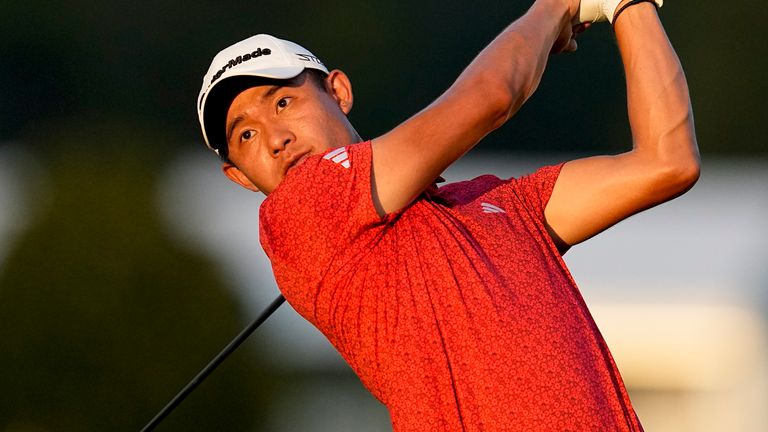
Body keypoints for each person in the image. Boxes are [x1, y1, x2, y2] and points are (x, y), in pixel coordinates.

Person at [195, 0, 698, 429]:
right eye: (245, 136)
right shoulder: (301, 208)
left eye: (283, 101)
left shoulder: (491, 204)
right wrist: (554, 8)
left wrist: (627, 7)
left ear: (339, 92)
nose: (275, 139)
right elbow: (491, 96)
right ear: (240, 177)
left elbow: (667, 162)